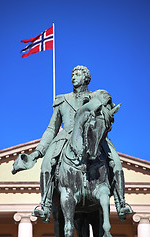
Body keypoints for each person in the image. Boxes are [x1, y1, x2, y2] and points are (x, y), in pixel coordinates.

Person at [12, 65, 131, 222]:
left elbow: (107, 116)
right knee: (47, 163)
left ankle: (121, 202)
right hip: (65, 137)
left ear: (86, 78)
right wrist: (37, 152)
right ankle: (45, 205)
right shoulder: (62, 100)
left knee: (115, 161)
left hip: (94, 137)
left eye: (77, 74)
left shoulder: (97, 97)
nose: (73, 77)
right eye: (72, 74)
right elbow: (51, 129)